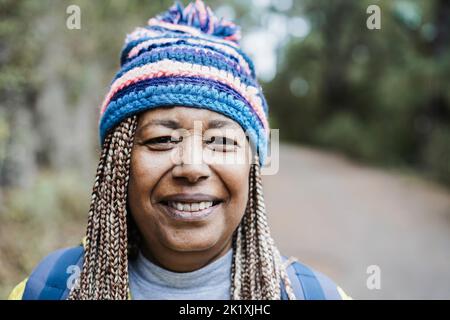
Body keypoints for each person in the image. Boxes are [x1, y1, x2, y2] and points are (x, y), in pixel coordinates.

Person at [8, 0, 351, 300]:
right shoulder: (47, 290)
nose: (191, 167)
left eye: (221, 142)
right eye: (161, 140)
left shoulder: (317, 296)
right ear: (118, 163)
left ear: (252, 165)